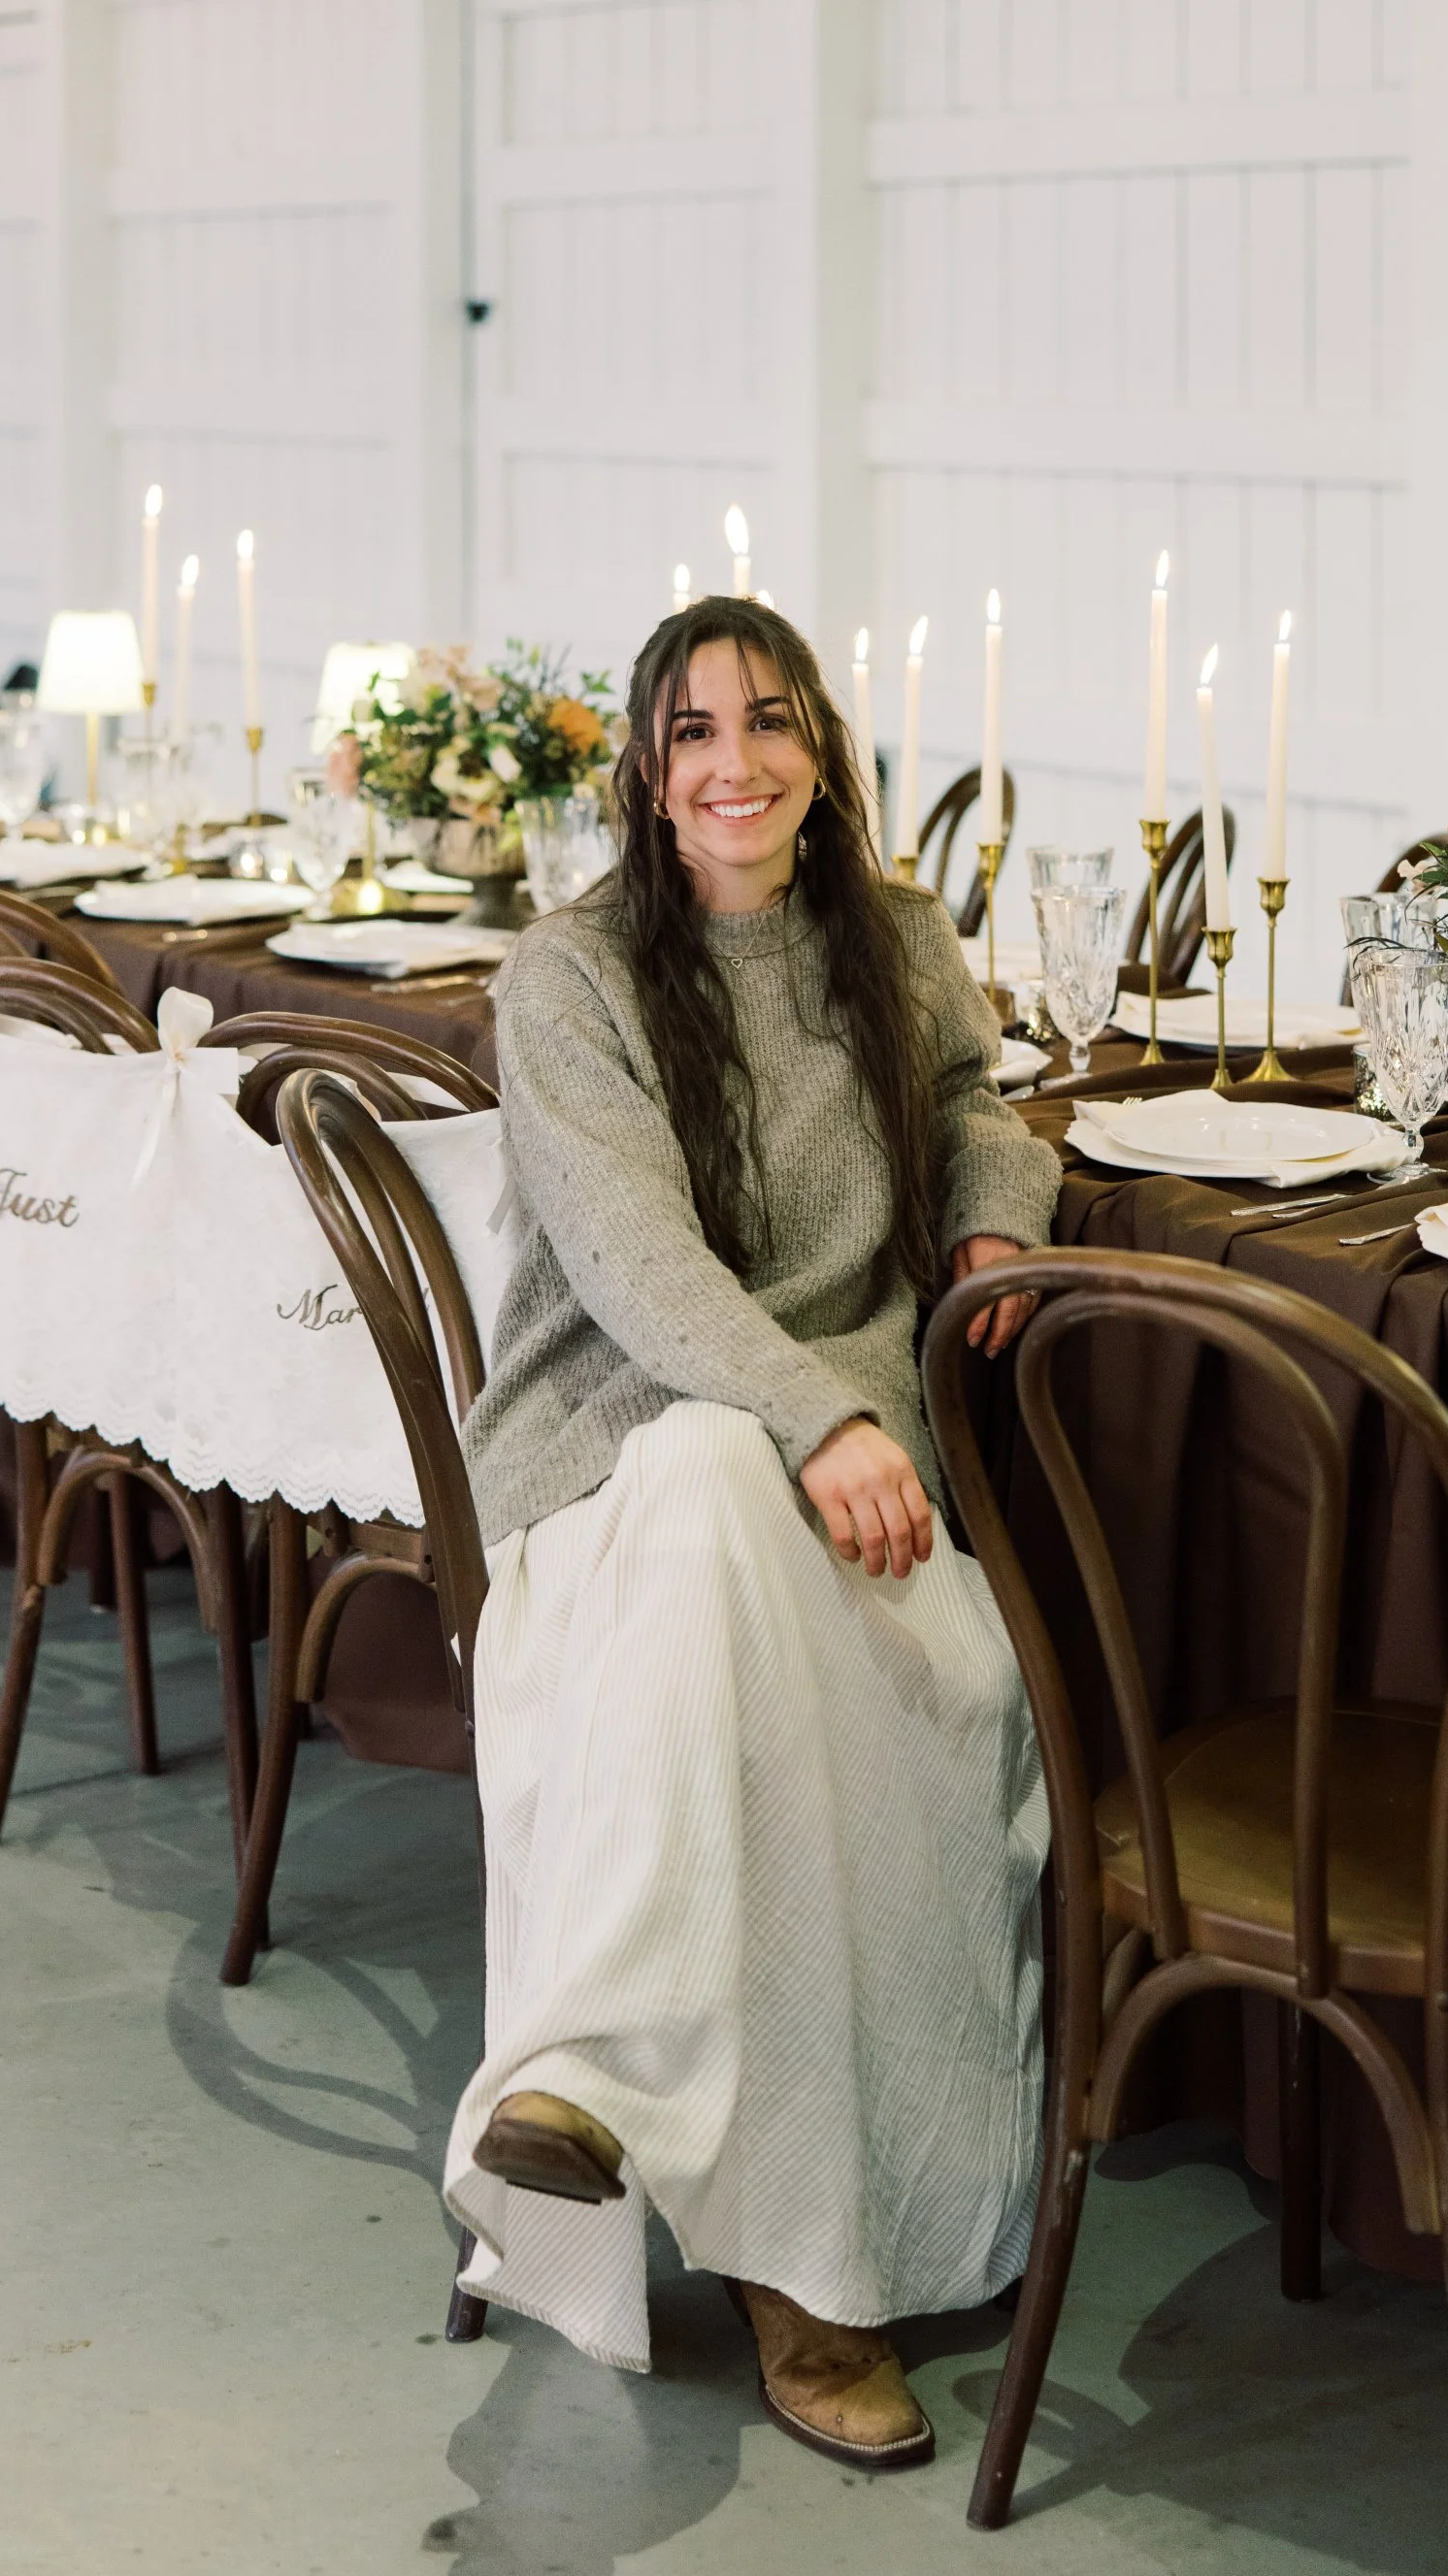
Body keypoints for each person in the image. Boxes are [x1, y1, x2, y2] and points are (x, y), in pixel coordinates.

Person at [444, 598, 1061, 2472]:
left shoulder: (897, 939)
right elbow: (634, 1263)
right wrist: (823, 1413)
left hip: (835, 1483)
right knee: (715, 1476)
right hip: (618, 1472)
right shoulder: (567, 977)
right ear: (645, 765)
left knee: (817, 1678)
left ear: (822, 749)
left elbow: (975, 1100)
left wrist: (995, 1216)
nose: (735, 761)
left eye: (771, 721)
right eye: (693, 728)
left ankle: (588, 2074)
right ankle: (810, 2282)